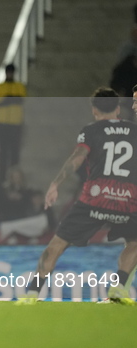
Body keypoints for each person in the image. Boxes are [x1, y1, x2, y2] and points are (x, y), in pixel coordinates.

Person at [18, 87, 137, 305]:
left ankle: (32, 294)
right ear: (118, 109)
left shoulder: (91, 130)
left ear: (94, 110)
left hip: (95, 200)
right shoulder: (134, 130)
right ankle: (119, 286)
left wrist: (55, 184)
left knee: (57, 245)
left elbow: (78, 157)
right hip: (127, 201)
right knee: (135, 242)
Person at [0, 64, 27, 180]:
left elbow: (20, 99)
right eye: (8, 72)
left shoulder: (19, 86)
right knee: (3, 151)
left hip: (15, 123)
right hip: (2, 123)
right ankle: (2, 177)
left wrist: (6, 98)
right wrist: (11, 99)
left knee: (14, 151)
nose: (10, 74)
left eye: (12, 72)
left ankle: (14, 177)